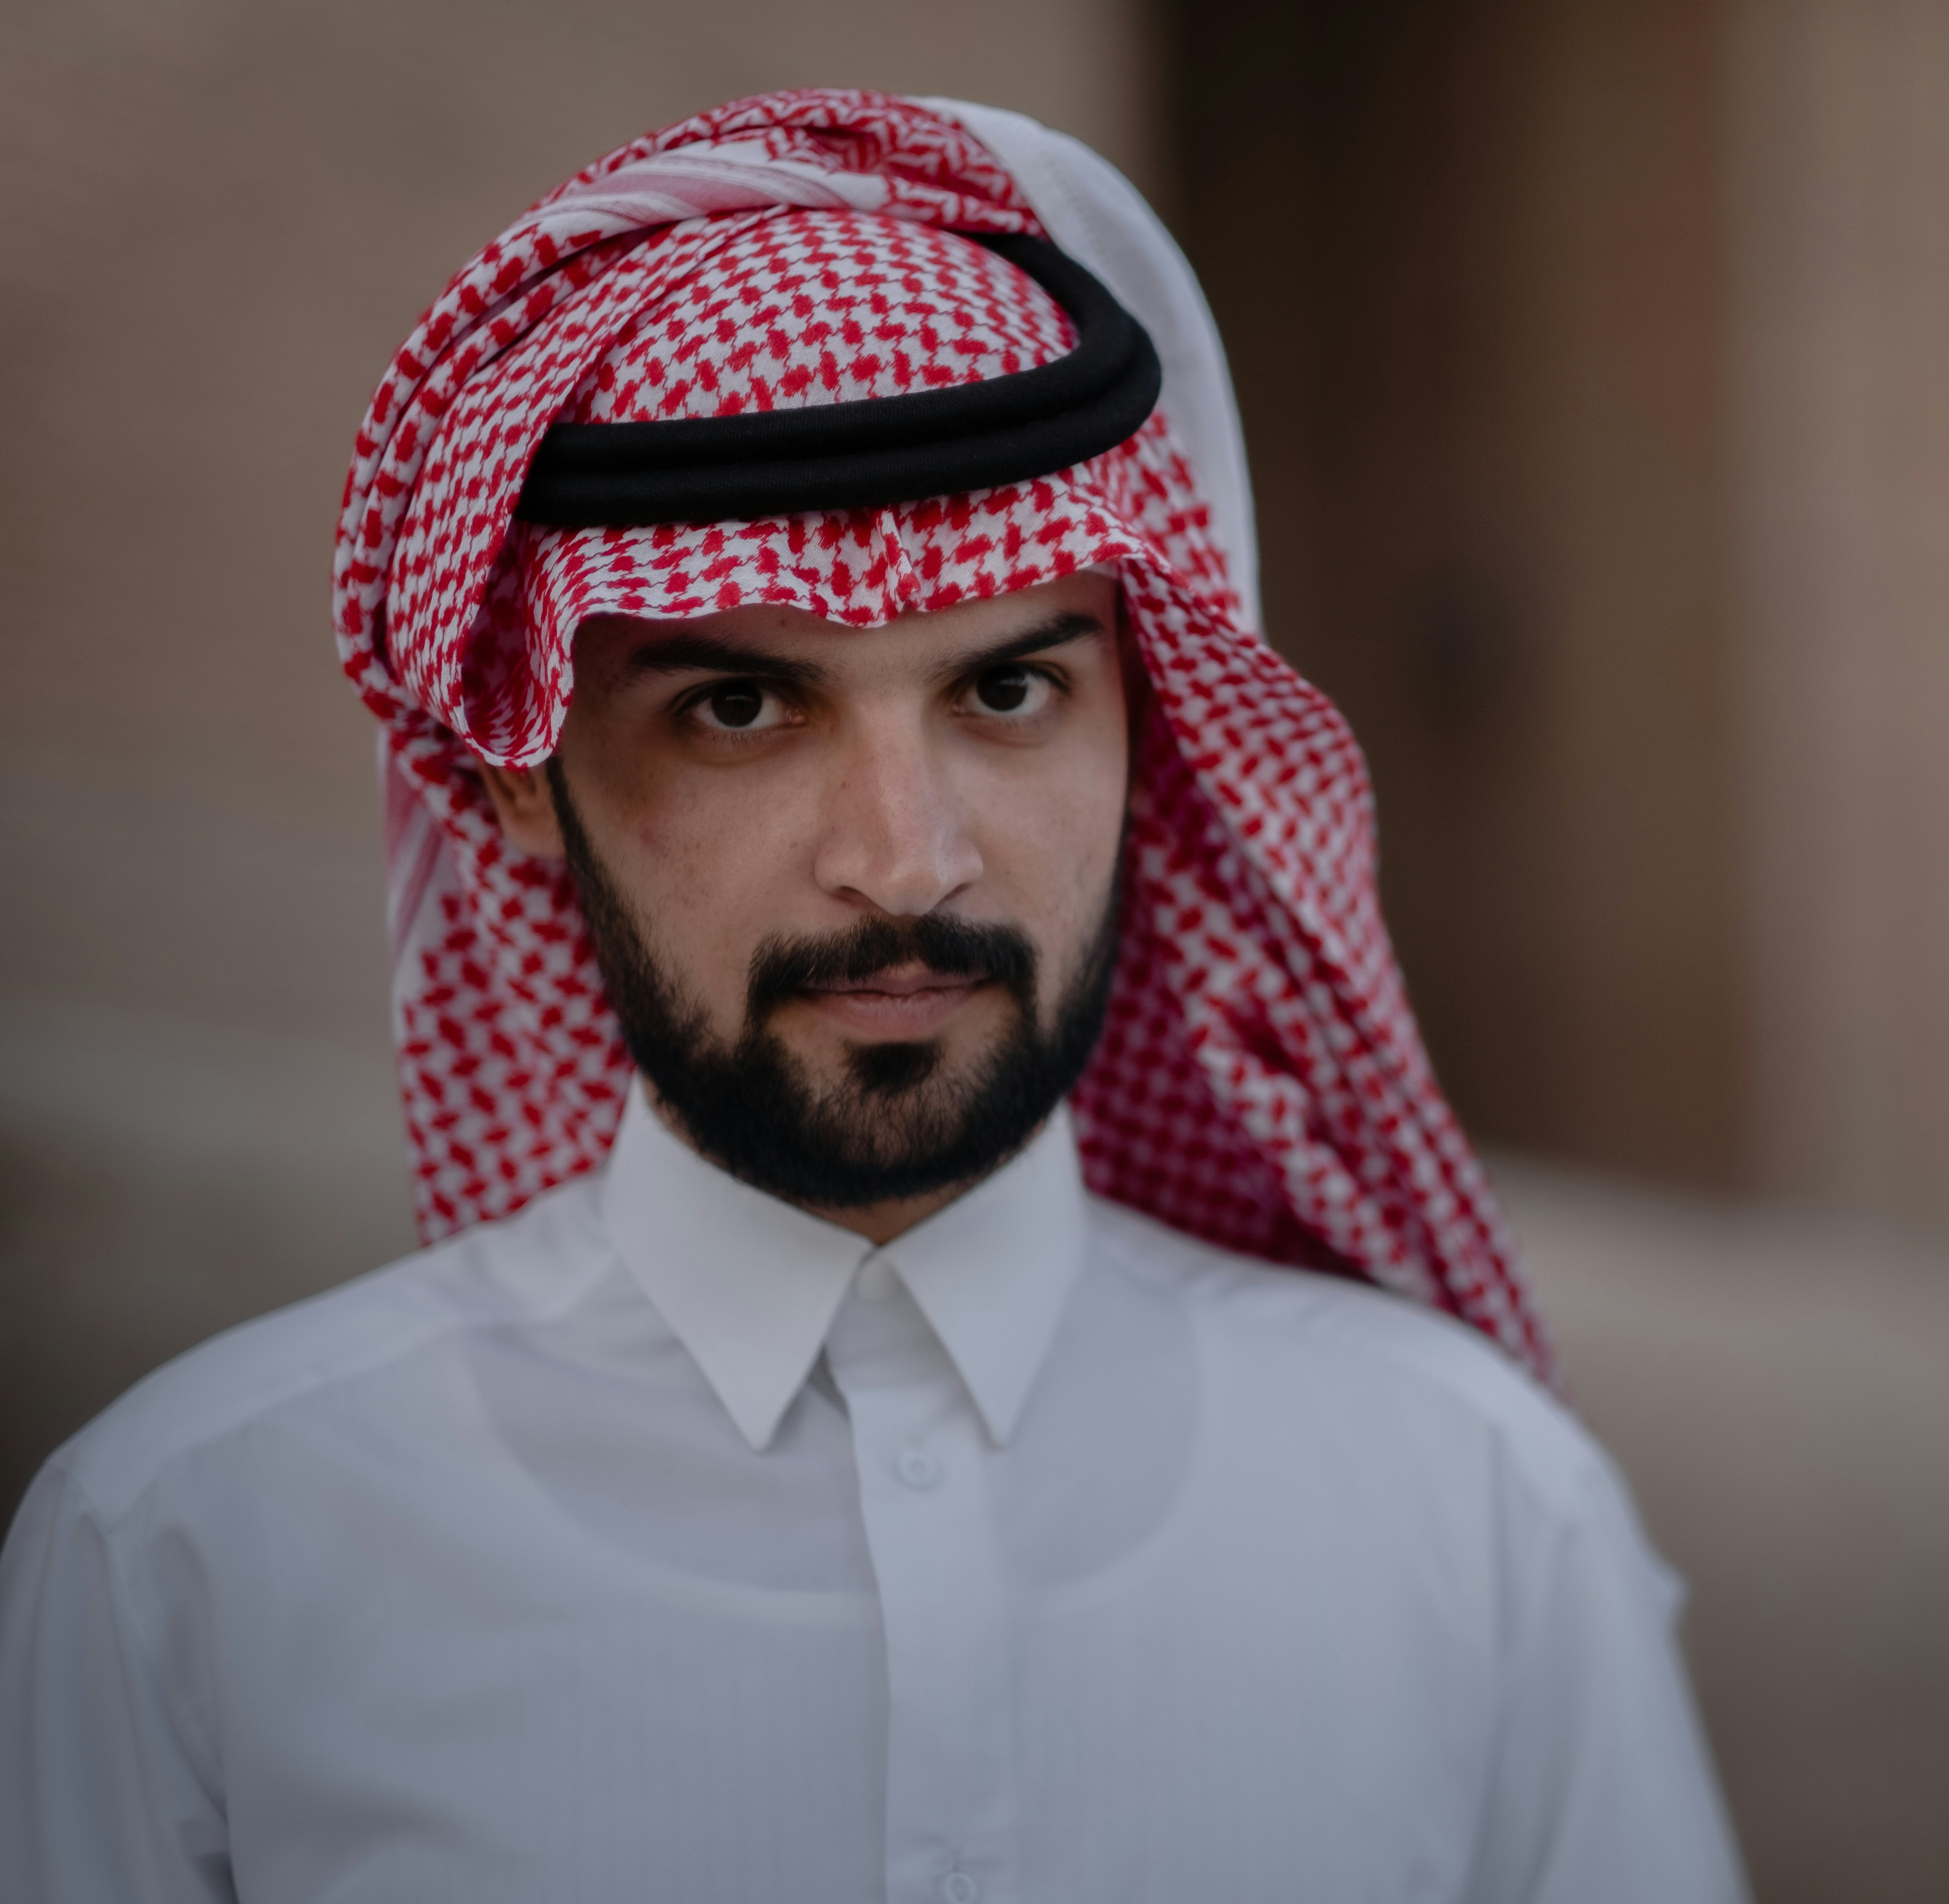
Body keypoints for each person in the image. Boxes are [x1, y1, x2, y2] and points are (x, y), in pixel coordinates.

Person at [0, 91, 1745, 1903]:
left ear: (1149, 725)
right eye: (743, 707)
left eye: (1006, 693)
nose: (907, 861)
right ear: (517, 767)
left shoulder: (1474, 1509)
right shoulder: (195, 1553)